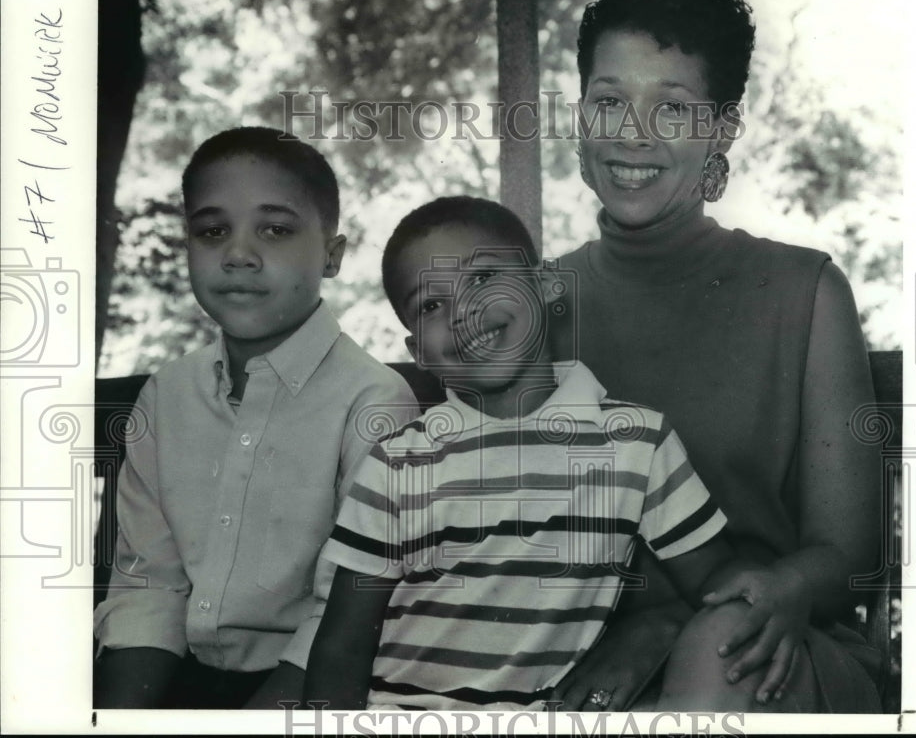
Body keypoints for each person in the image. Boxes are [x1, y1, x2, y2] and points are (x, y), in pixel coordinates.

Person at [303, 196, 810, 711]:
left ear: (546, 285)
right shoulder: (398, 463)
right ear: (419, 352)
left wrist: (767, 594)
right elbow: (343, 643)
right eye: (431, 305)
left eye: (482, 279)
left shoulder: (635, 441)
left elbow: (713, 583)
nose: (463, 313)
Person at [549, 0, 883, 711]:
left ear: (721, 129)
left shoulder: (806, 293)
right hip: (578, 661)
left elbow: (846, 554)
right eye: (609, 101)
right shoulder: (533, 306)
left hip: (772, 644)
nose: (632, 133)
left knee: (717, 646)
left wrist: (681, 618)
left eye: (672, 109)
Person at [93, 127, 419, 708]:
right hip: (177, 680)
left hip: (315, 688)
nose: (239, 254)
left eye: (275, 229)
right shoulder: (166, 397)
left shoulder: (374, 404)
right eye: (213, 230)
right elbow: (150, 589)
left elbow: (349, 622)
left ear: (332, 255)